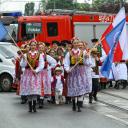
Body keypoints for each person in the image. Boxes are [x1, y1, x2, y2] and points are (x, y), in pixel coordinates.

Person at [64, 39, 92, 112]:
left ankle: (79, 106)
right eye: (75, 43)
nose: (76, 44)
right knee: (73, 88)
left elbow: (88, 64)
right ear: (72, 44)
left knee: (80, 88)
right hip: (72, 73)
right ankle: (73, 104)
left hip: (81, 73)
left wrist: (87, 58)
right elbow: (66, 63)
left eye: (77, 43)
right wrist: (67, 69)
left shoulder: (83, 52)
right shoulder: (69, 53)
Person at [20, 41, 45, 112]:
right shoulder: (26, 55)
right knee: (29, 90)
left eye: (34, 45)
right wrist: (24, 60)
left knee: (34, 90)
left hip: (35, 74)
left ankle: (34, 106)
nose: (33, 46)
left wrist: (36, 70)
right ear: (30, 46)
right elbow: (22, 65)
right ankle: (30, 106)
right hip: (28, 74)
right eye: (32, 45)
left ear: (36, 46)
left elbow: (41, 64)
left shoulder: (39, 55)